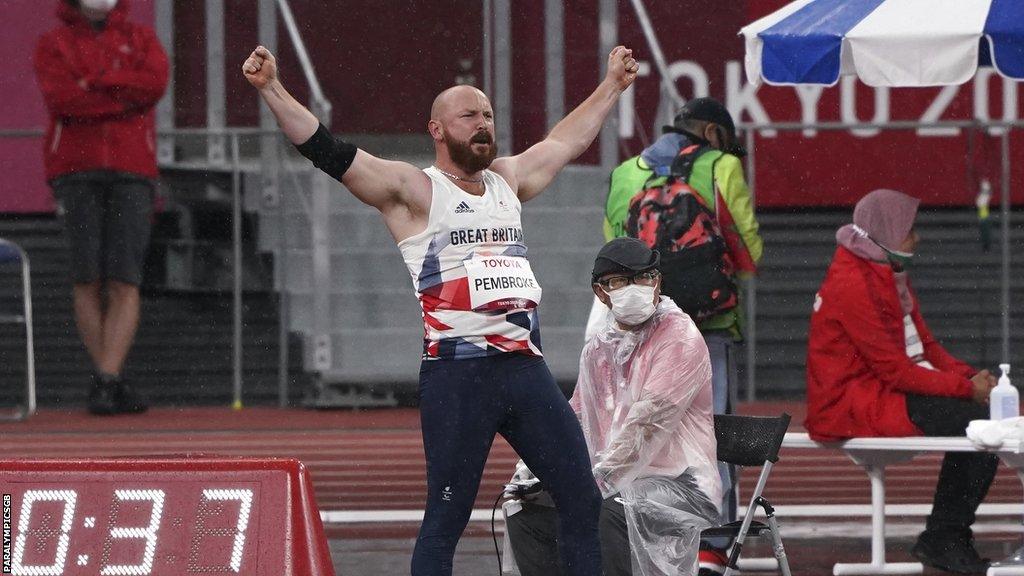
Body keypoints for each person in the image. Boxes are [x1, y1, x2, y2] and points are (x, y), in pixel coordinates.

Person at [242, 43, 639, 576]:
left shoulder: (507, 181)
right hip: (459, 374)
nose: (483, 124)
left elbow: (565, 141)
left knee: (581, 497)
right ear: (436, 129)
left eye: (489, 115)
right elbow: (328, 151)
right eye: (469, 115)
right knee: (446, 518)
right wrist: (271, 88)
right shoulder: (415, 190)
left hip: (524, 368)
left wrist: (612, 84)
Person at [590, 96, 762, 574]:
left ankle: (644, 532)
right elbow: (748, 248)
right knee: (707, 431)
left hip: (639, 326)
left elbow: (613, 245)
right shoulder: (720, 165)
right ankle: (709, 544)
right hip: (708, 324)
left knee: (637, 424)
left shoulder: (625, 173)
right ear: (711, 134)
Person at [806, 188, 999, 575]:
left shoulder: (885, 270)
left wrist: (969, 377)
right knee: (976, 427)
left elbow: (924, 344)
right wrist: (966, 390)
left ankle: (946, 535)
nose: (917, 238)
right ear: (887, 232)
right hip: (853, 403)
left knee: (983, 420)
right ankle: (944, 536)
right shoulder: (854, 283)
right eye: (910, 230)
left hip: (878, 392)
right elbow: (894, 368)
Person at [506, 237, 721, 576]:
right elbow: (575, 417)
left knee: (603, 509)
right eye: (621, 281)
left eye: (644, 277)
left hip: (681, 483)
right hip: (616, 479)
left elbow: (647, 424)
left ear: (658, 283)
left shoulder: (679, 338)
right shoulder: (599, 347)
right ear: (601, 292)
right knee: (525, 510)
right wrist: (534, 465)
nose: (635, 288)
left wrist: (596, 481)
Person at [33, 0, 169, 415]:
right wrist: (123, 95)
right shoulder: (53, 42)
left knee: (125, 278)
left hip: (132, 167)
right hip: (75, 169)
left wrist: (95, 82)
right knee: (87, 276)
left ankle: (106, 379)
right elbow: (63, 98)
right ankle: (110, 379)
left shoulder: (141, 38)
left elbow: (154, 86)